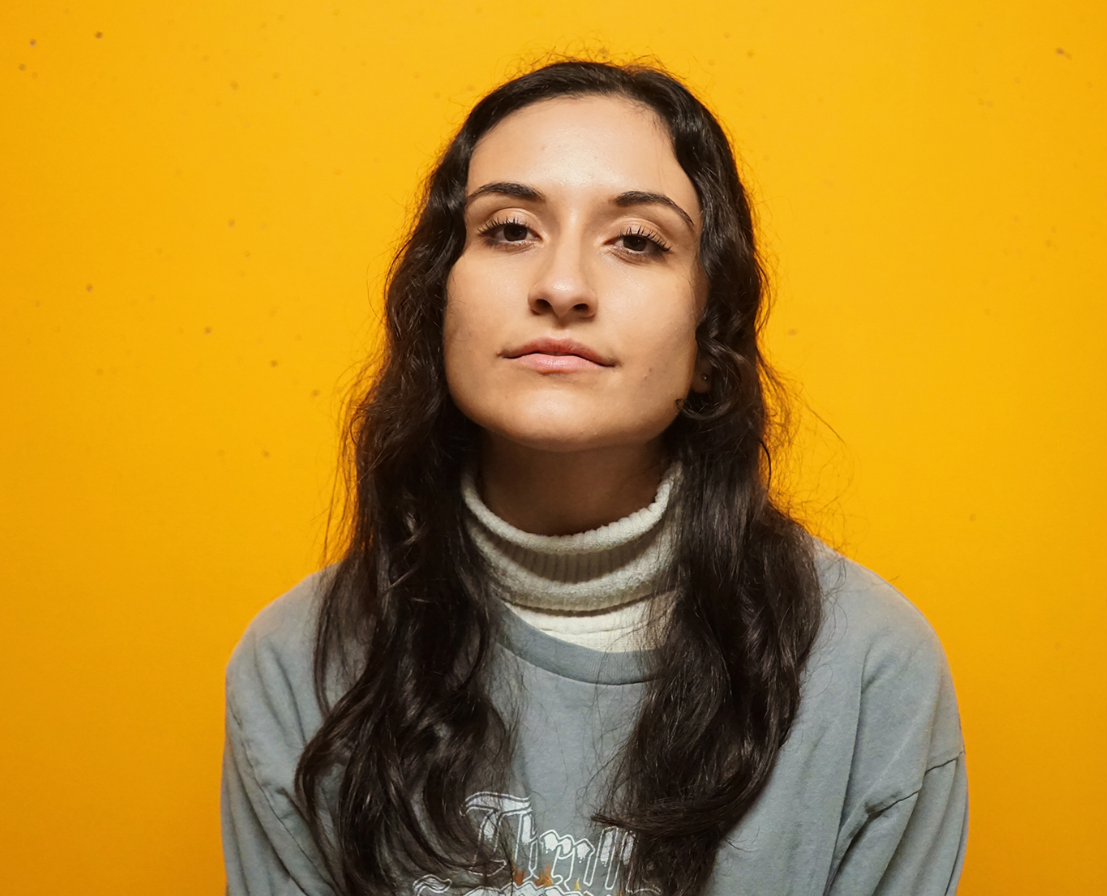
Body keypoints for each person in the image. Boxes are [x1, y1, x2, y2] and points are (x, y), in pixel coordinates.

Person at [221, 60, 968, 896]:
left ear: (710, 340)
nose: (563, 286)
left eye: (637, 241)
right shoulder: (297, 666)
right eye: (510, 229)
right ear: (438, 306)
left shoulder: (869, 673)